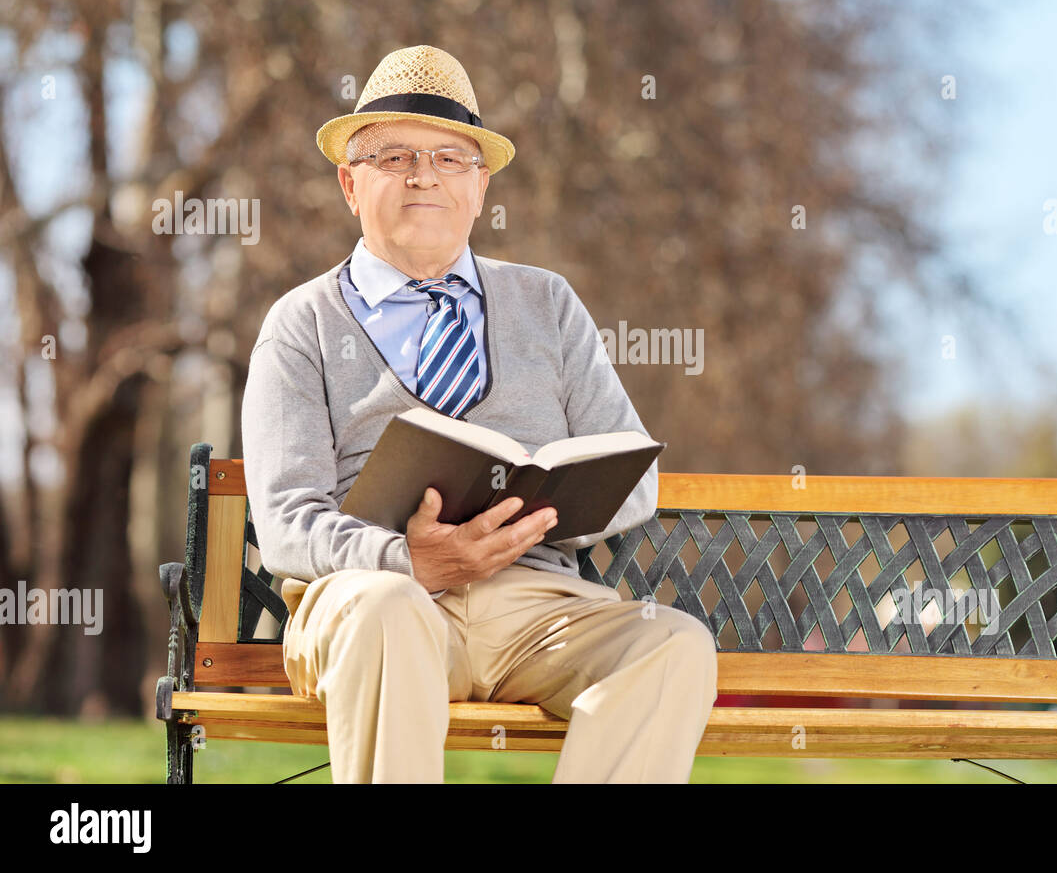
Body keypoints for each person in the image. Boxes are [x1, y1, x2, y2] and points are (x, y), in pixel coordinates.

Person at [240, 45, 718, 783]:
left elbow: (635, 480)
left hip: (532, 607)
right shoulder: (300, 322)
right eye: (393, 155)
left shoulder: (549, 304)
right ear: (349, 183)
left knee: (674, 645)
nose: (423, 174)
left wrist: (533, 514)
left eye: (448, 158)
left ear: (480, 184)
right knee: (388, 611)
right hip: (371, 607)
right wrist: (411, 559)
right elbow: (286, 522)